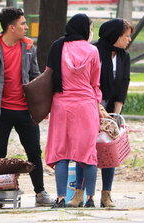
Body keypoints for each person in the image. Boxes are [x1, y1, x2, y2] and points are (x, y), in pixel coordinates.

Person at [0, 7, 53, 207]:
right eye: (23, 24)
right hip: (1, 111)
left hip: (26, 111)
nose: (26, 27)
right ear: (11, 27)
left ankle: (40, 193)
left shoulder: (28, 47)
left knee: (34, 152)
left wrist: (43, 106)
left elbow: (35, 77)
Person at [71, 18, 132, 208]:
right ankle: (79, 194)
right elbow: (87, 81)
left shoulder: (124, 56)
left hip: (112, 109)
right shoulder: (94, 51)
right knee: (85, 151)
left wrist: (116, 112)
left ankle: (106, 194)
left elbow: (124, 83)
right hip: (91, 106)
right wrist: (97, 107)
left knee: (109, 151)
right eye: (126, 36)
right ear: (115, 36)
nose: (129, 39)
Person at [45, 14, 102, 208]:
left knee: (61, 151)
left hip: (61, 105)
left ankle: (61, 198)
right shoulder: (93, 51)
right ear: (85, 29)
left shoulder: (58, 47)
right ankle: (90, 198)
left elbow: (49, 75)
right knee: (88, 152)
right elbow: (95, 82)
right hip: (86, 105)